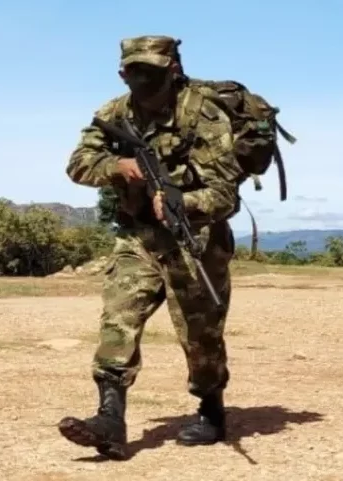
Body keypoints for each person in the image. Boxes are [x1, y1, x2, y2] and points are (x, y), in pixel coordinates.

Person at [58, 35, 245, 460]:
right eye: (132, 72)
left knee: (201, 337)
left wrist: (186, 201)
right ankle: (110, 419)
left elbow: (226, 194)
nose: (140, 80)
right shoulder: (114, 113)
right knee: (118, 318)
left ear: (173, 69)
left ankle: (211, 409)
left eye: (150, 72)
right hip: (137, 236)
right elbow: (77, 163)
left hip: (196, 237)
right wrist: (118, 167)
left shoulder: (205, 114)